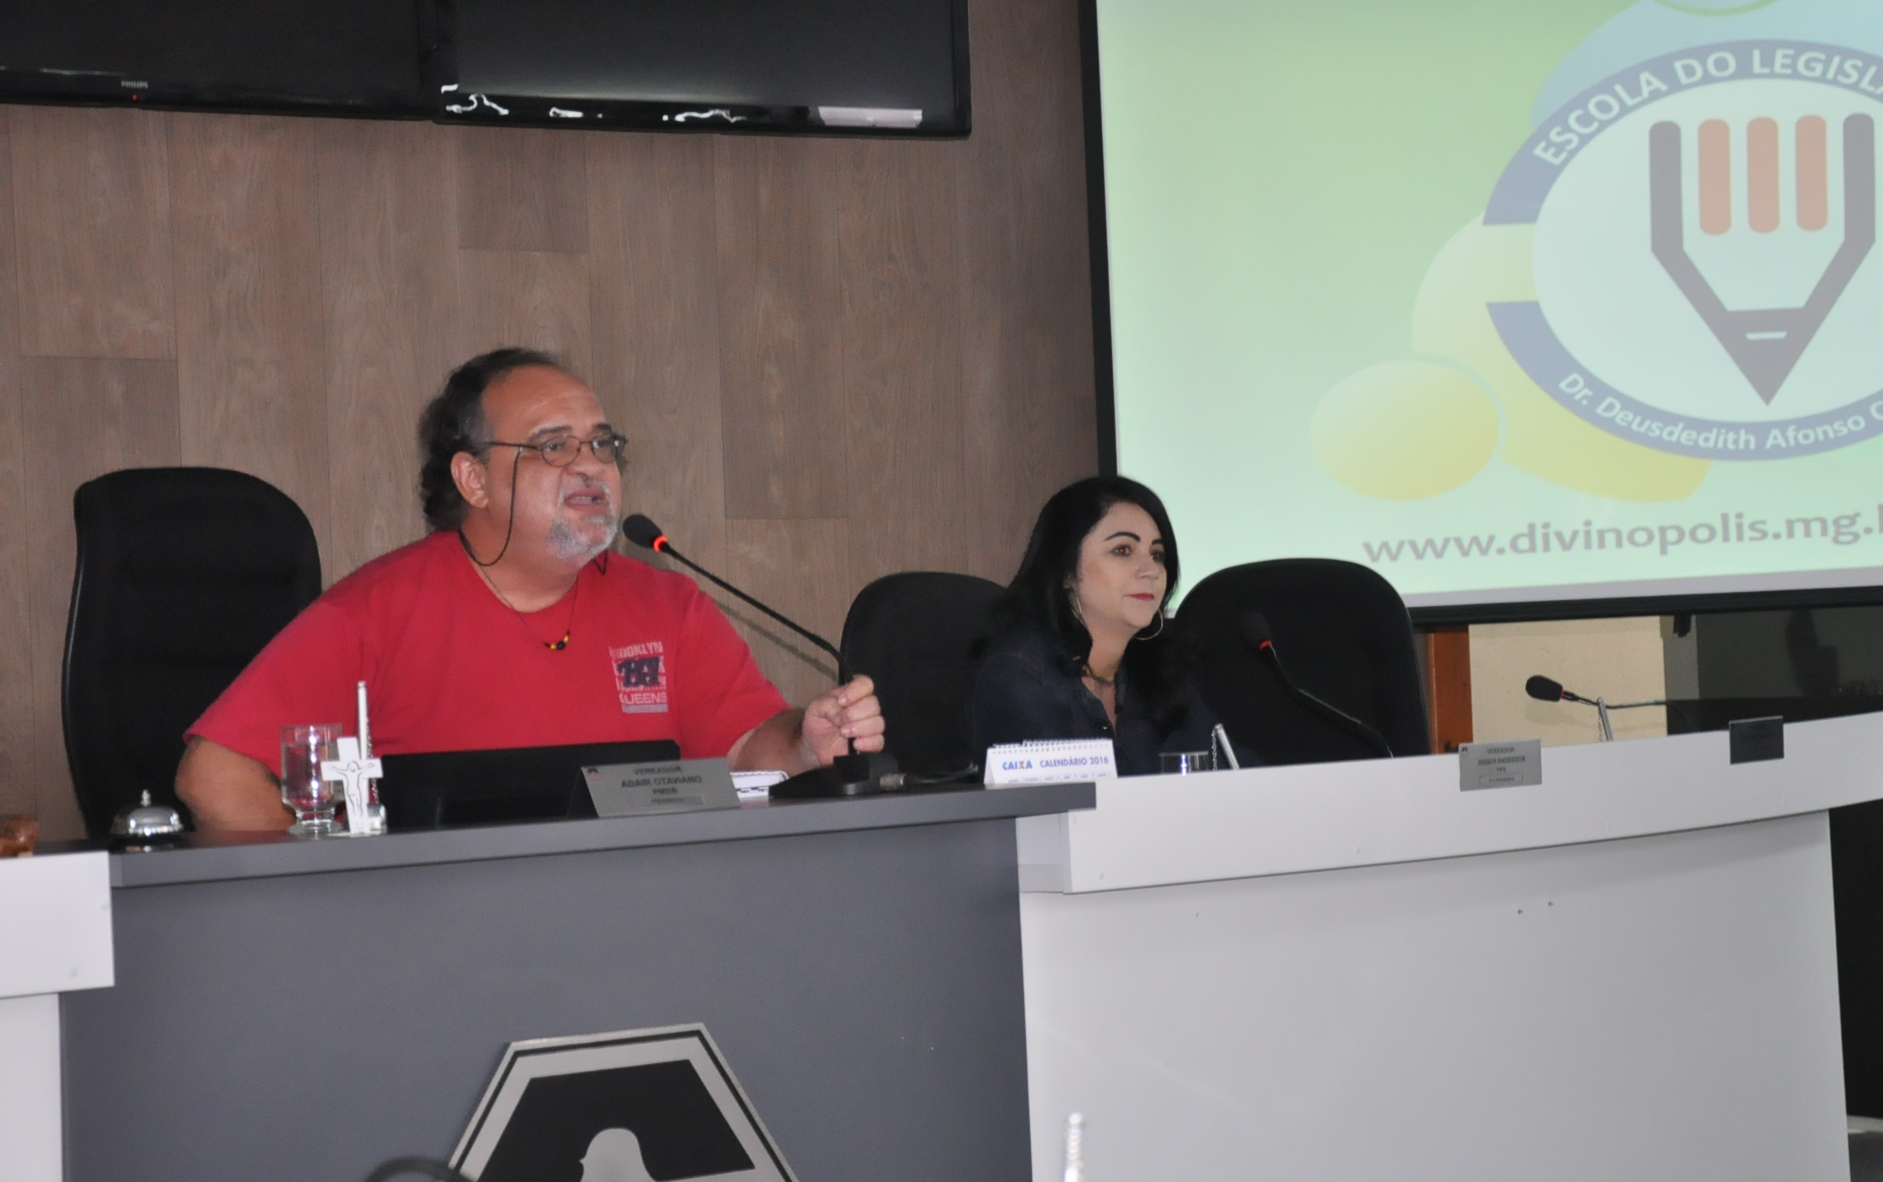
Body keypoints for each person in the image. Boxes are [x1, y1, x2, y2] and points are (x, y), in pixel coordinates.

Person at [177, 347, 882, 830]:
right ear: (473, 479)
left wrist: (804, 742)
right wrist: (335, 897)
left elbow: (745, 749)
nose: (591, 466)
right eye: (553, 446)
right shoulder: (375, 611)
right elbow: (215, 775)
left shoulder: (668, 607)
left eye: (602, 444)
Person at [962, 476, 1221, 775]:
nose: (1151, 570)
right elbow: (1049, 801)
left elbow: (1232, 772)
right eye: (1123, 550)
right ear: (1066, 571)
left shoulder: (1165, 671)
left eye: (1157, 554)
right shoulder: (1019, 676)